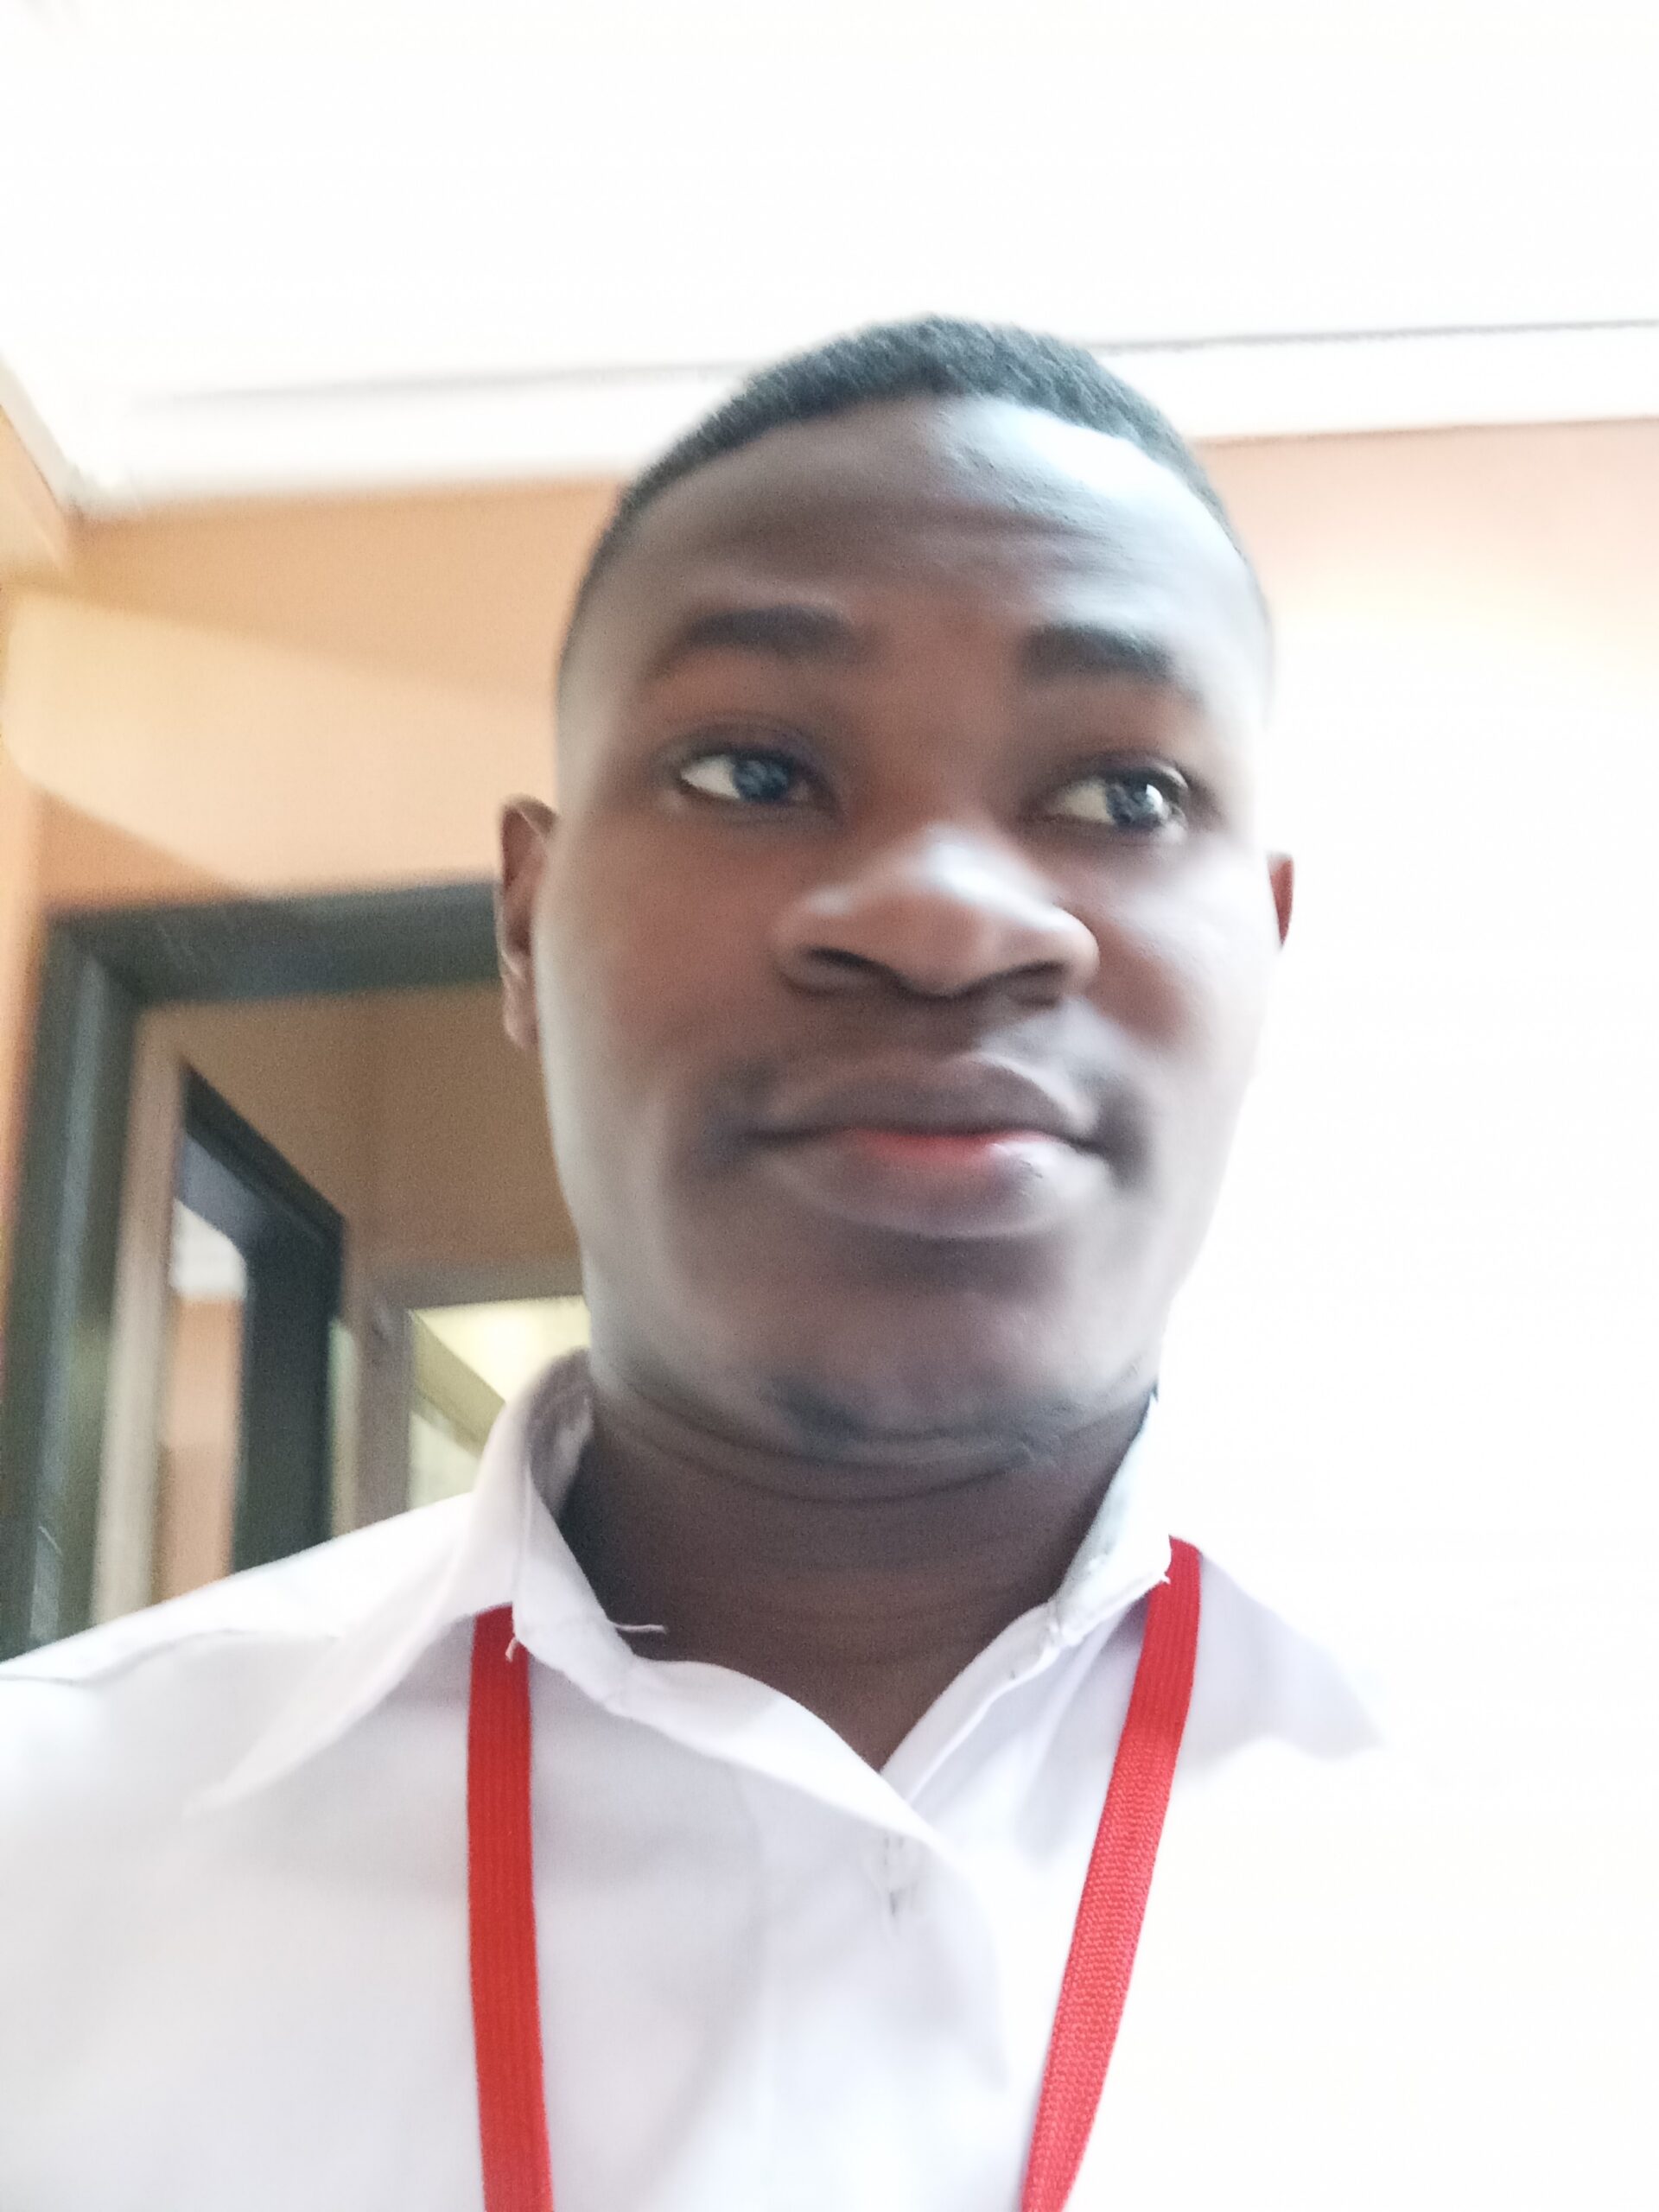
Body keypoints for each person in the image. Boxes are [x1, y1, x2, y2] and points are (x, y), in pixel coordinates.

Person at [0, 319, 1465, 2209]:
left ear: (1265, 948)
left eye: (1124, 795)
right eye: (753, 770)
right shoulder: (44, 1852)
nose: (943, 916)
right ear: (526, 925)